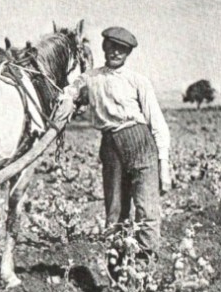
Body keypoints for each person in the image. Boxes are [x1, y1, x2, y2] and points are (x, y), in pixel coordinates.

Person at [55, 26, 172, 259]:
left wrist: (164, 164)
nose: (116, 53)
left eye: (122, 50)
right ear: (104, 47)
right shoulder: (90, 78)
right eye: (112, 47)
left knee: (147, 210)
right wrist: (67, 101)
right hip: (110, 147)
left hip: (140, 141)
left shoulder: (137, 81)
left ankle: (143, 269)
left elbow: (157, 122)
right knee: (115, 211)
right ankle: (117, 268)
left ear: (128, 54)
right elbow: (67, 94)